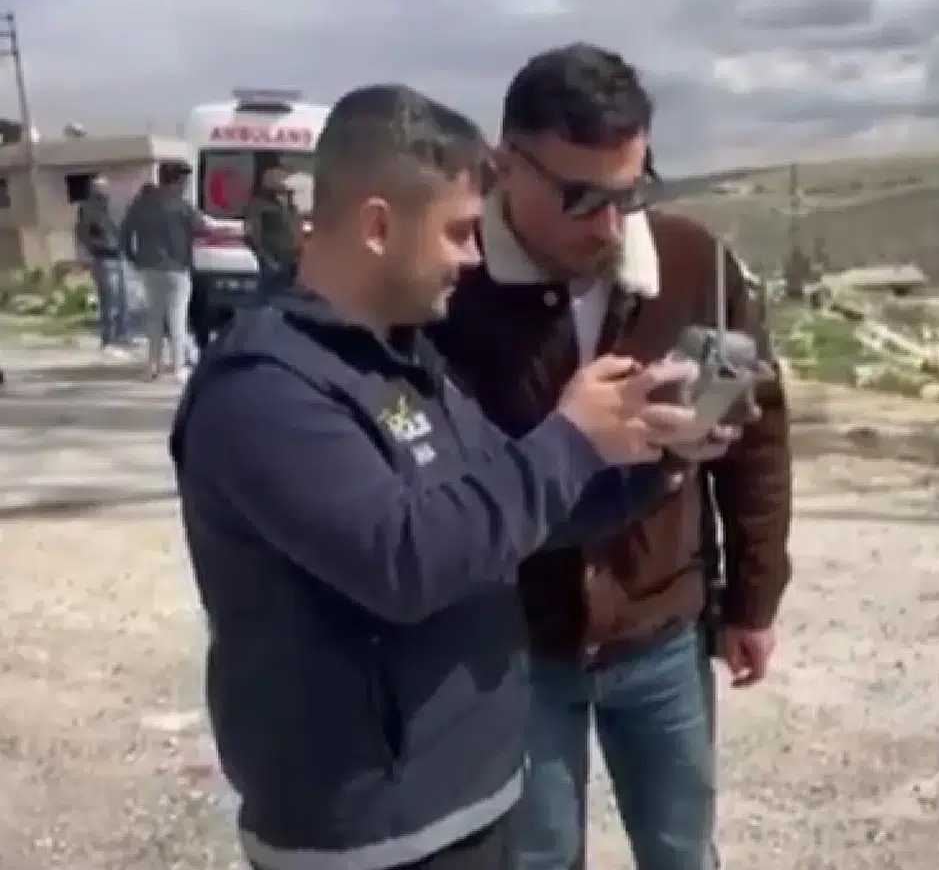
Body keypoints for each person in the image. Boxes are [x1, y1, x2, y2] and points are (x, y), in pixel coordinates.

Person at [168, 83, 731, 870]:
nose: (472, 257)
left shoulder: (404, 358)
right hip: (369, 840)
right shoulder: (264, 391)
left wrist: (658, 459)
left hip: (475, 803)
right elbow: (407, 561)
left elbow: (503, 511)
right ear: (377, 226)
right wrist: (570, 438)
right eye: (459, 232)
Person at [431, 44, 794, 870]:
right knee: (537, 855)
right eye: (582, 197)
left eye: (631, 192)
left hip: (662, 627)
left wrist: (754, 598)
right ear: (504, 166)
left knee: (680, 850)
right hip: (513, 645)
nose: (609, 224)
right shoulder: (449, 285)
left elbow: (758, 434)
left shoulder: (694, 263)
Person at [121, 162, 204, 381]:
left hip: (148, 267)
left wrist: (134, 258)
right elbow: (200, 226)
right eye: (184, 181)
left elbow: (125, 232)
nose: (185, 186)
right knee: (177, 318)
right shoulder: (181, 205)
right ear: (178, 180)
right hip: (177, 268)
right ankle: (178, 367)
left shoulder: (141, 203)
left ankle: (152, 365)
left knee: (154, 318)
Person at [75, 174, 132, 356]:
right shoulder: (87, 208)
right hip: (103, 258)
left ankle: (123, 335)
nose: (103, 190)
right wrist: (95, 248)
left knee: (124, 299)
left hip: (120, 256)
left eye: (104, 187)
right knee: (109, 300)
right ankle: (108, 338)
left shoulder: (114, 207)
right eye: (98, 187)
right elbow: (83, 233)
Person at [243, 165, 304, 297]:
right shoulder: (259, 205)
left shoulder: (292, 206)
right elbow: (251, 234)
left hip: (292, 262)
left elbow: (296, 229)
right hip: (271, 262)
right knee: (269, 296)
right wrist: (267, 260)